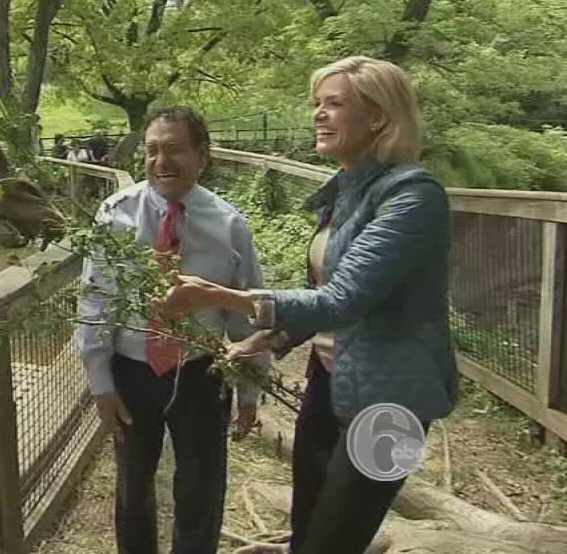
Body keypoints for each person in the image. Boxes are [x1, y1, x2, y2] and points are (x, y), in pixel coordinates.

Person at [158, 56, 460, 554]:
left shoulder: (414, 196)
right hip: (329, 386)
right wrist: (268, 338)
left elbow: (344, 299)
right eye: (317, 104)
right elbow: (326, 299)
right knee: (307, 531)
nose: (318, 114)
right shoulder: (343, 194)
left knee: (335, 542)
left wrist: (213, 294)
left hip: (393, 407)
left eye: (334, 104)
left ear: (378, 118)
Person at [78, 105, 272, 554]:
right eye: (152, 151)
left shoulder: (228, 225)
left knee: (201, 486)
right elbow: (95, 302)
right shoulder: (114, 216)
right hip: (131, 371)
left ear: (202, 157)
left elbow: (247, 314)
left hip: (202, 370)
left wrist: (249, 390)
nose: (161, 162)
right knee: (132, 483)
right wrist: (100, 382)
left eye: (175, 150)